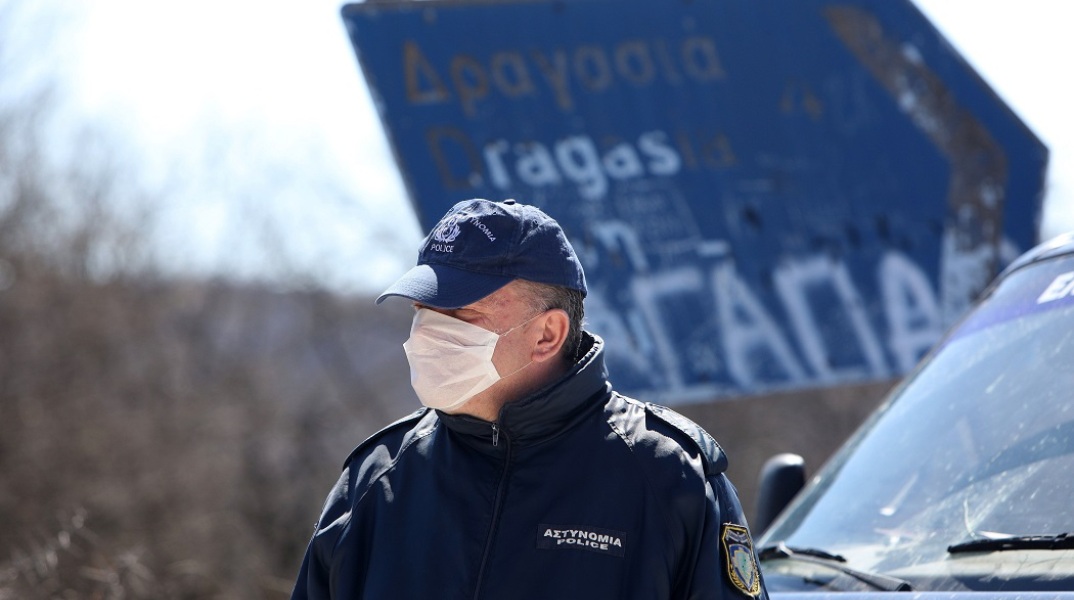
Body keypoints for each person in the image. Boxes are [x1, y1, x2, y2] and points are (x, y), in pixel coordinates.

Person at [289, 198, 768, 600]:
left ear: (547, 335)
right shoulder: (377, 479)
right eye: (422, 309)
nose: (429, 333)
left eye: (460, 313)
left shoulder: (669, 477)